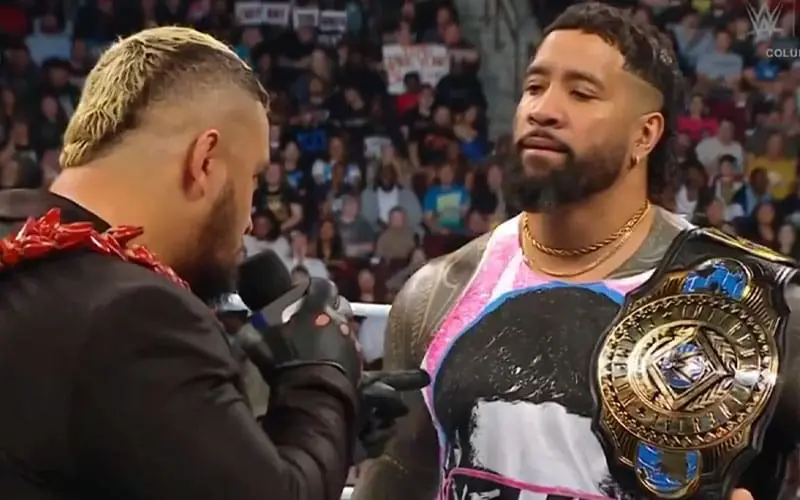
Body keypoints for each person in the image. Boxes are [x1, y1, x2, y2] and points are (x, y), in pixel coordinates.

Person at [356, 4, 800, 500]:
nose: (542, 109)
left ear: (645, 134)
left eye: (581, 93)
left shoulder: (760, 302)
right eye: (534, 86)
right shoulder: (438, 294)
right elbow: (396, 480)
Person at [0, 27, 421, 500]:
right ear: (203, 161)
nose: (249, 220)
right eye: (253, 178)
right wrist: (320, 376)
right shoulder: (134, 314)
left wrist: (324, 430)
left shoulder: (25, 249)